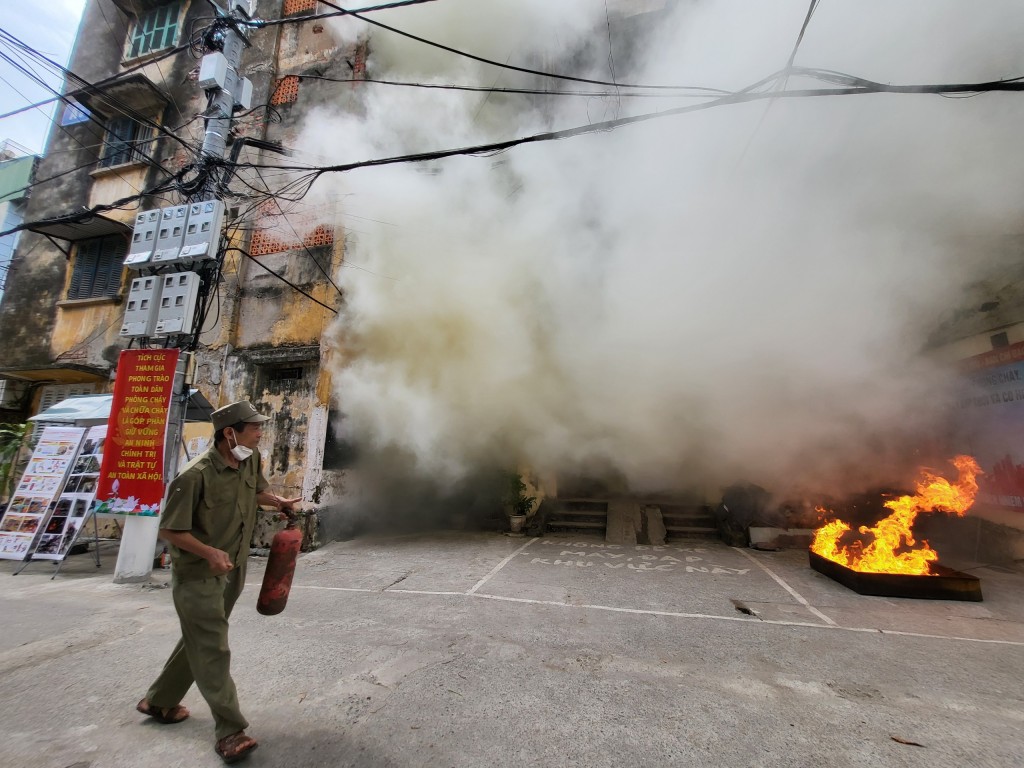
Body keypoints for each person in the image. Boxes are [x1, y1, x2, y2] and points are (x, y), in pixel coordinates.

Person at [135, 400, 300, 764]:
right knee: (213, 647)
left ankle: (159, 701)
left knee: (199, 640)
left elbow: (254, 493)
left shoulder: (251, 459)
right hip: (198, 575)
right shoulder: (194, 476)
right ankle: (230, 731)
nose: (260, 433)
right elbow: (169, 529)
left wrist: (277, 501)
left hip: (234, 568)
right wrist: (208, 552)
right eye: (254, 427)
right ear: (230, 432)